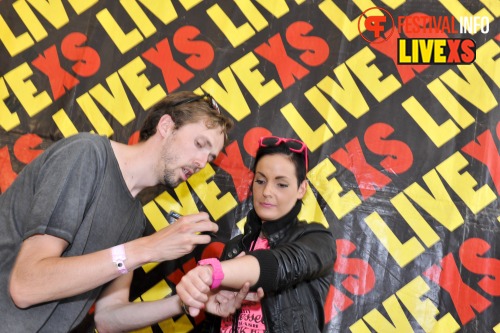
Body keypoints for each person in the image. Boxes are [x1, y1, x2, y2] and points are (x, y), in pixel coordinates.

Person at [0, 91, 247, 332]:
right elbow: (25, 286)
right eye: (199, 144)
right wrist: (147, 248)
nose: (202, 163)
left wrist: (185, 301)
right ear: (166, 126)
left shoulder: (134, 219)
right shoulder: (88, 155)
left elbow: (108, 317)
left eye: (210, 156)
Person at [176, 136, 337, 333]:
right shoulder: (236, 247)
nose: (267, 191)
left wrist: (211, 272)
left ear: (301, 189)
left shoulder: (318, 239)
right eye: (260, 181)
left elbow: (279, 266)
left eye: (281, 184)